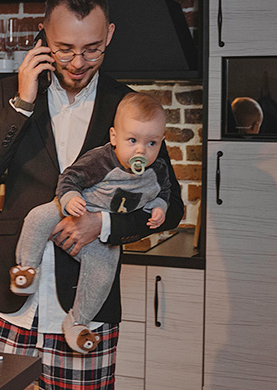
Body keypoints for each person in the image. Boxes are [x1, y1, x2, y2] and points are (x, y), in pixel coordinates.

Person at [0, 0, 184, 387]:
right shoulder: (10, 94)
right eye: (64, 48)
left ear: (110, 35)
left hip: (83, 314)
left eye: (93, 49)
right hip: (8, 305)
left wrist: (104, 225)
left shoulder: (131, 108)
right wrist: (23, 105)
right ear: (44, 35)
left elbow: (172, 206)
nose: (79, 62)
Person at [9, 92, 172, 354]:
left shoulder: (158, 170)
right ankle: (26, 269)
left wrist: (160, 208)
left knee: (102, 273)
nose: (141, 150)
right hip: (72, 209)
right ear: (114, 137)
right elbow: (70, 177)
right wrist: (70, 197)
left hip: (100, 234)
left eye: (151, 143)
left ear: (161, 141)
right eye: (132, 141)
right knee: (37, 217)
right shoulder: (102, 159)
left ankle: (77, 322)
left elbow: (165, 193)